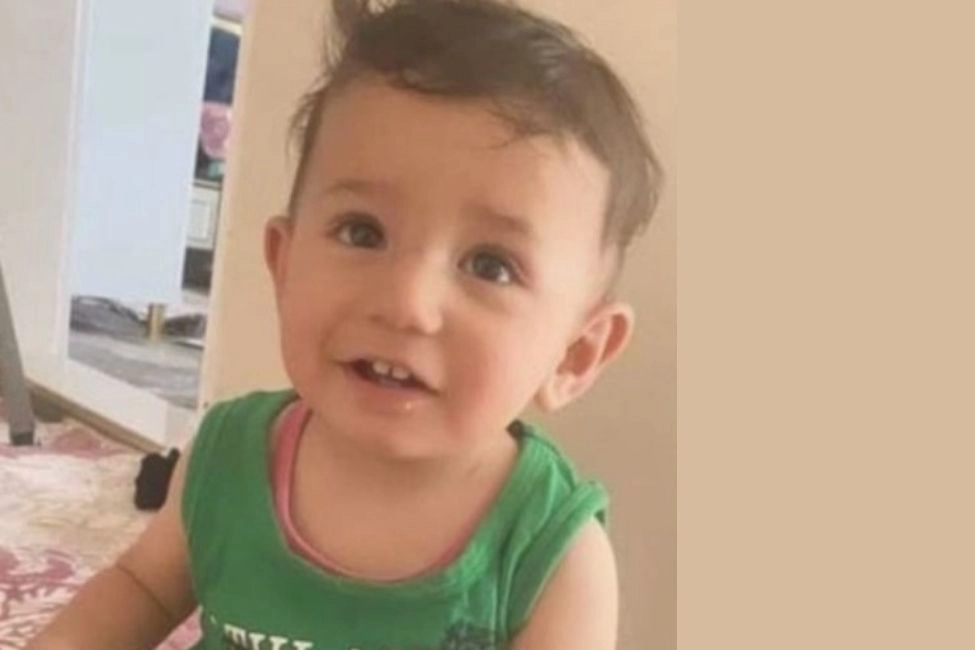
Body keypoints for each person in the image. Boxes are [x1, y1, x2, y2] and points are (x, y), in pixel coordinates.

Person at [30, 0, 662, 648]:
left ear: (575, 355)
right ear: (284, 264)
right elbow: (142, 586)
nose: (406, 303)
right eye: (363, 232)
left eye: (491, 266)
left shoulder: (552, 555)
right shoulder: (227, 456)